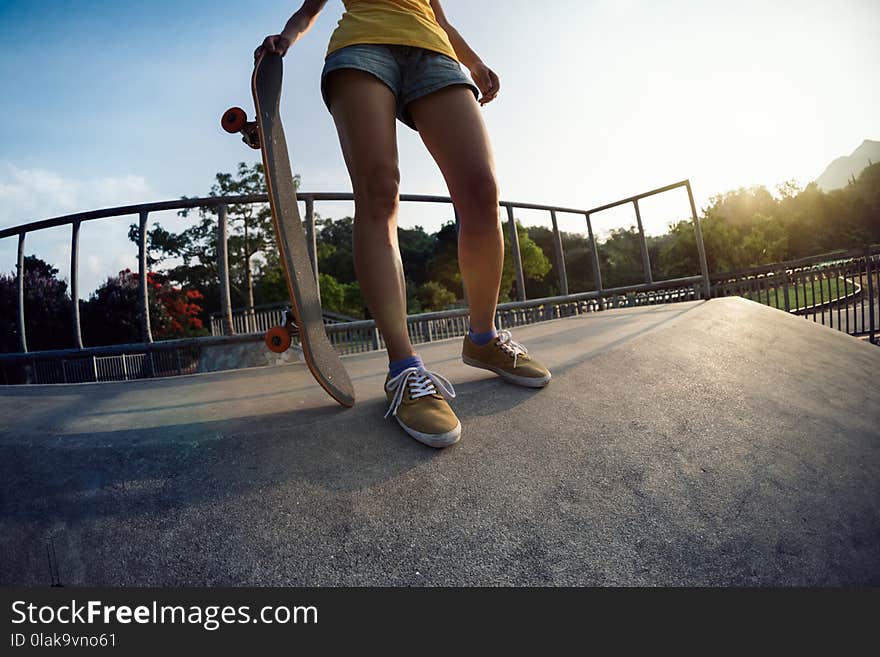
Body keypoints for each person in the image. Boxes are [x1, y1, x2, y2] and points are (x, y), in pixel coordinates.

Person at [257, 0, 550, 448]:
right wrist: (286, 38)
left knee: (480, 188)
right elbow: (307, 12)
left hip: (433, 53)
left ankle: (484, 338)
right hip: (360, 50)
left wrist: (473, 60)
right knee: (379, 190)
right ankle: (404, 369)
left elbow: (440, 17)